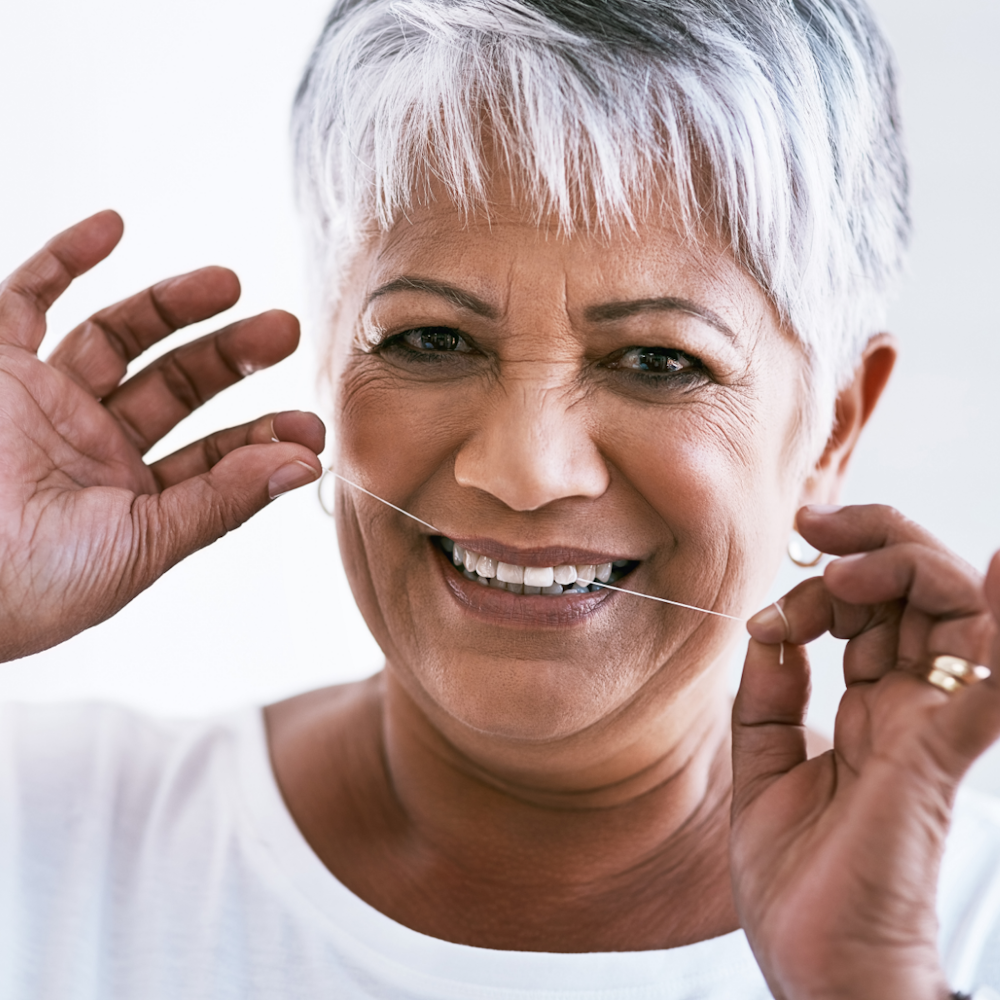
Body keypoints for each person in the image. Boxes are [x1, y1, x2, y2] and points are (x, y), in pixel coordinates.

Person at [2, 0, 1000, 997]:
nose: (526, 471)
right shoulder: (44, 837)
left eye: (658, 359)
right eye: (431, 339)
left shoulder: (966, 915)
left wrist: (869, 979)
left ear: (829, 427)